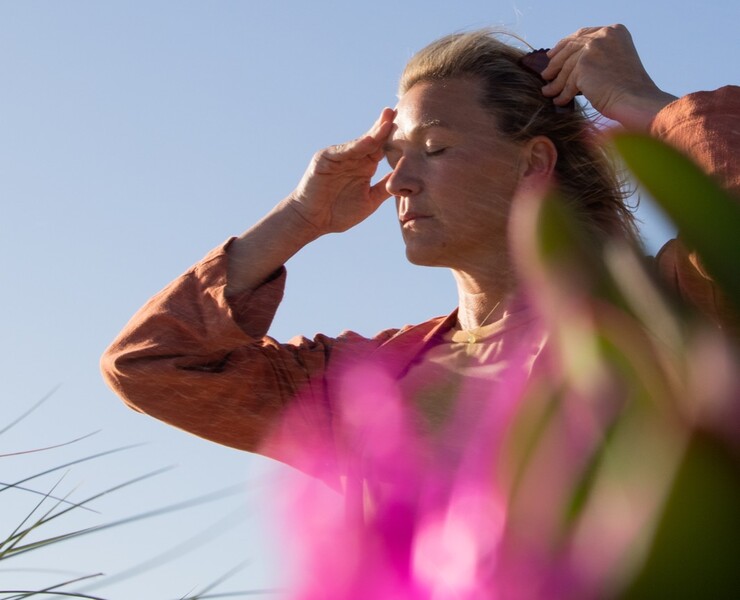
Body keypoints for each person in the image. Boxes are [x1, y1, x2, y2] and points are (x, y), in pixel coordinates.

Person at [101, 24, 738, 471]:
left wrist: (647, 104)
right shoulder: (368, 388)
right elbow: (153, 363)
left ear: (533, 163)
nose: (400, 180)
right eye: (395, 157)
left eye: (434, 150)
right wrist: (300, 217)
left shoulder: (667, 311)